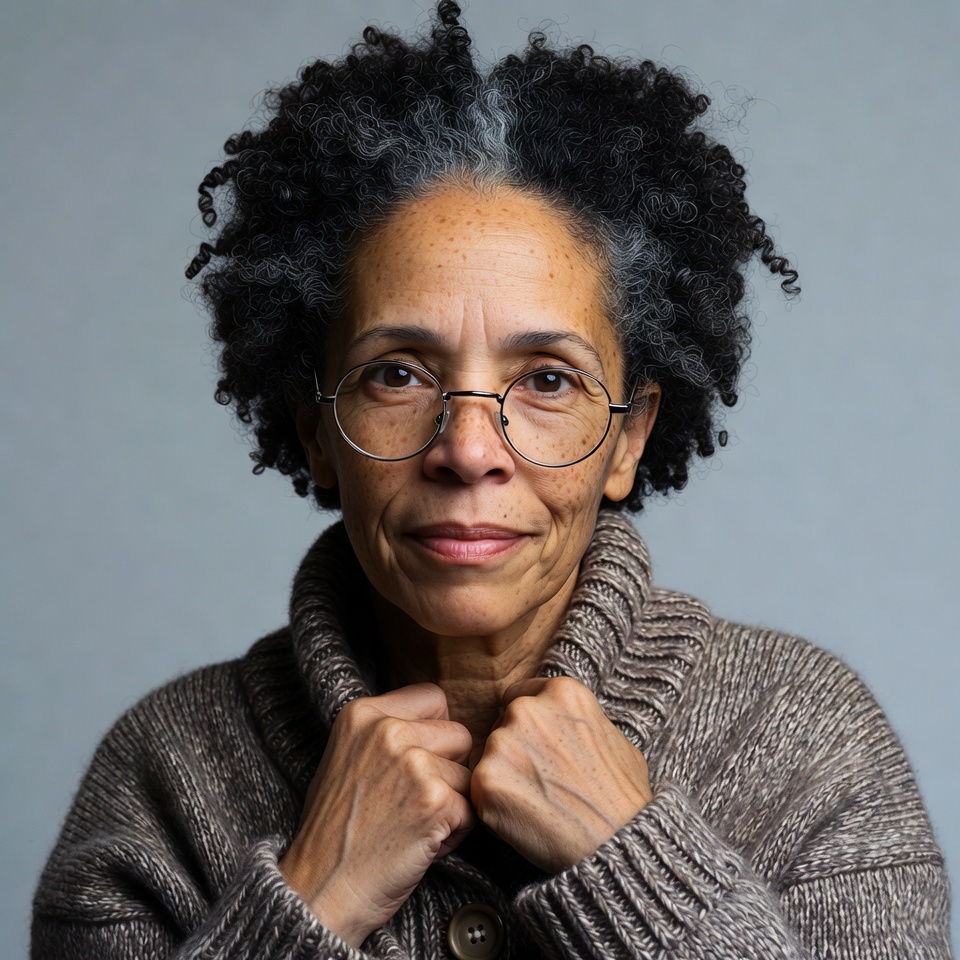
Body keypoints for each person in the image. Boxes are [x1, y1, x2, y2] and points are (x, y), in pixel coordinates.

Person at [31, 3, 951, 958]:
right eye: (398, 373)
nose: (469, 450)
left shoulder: (809, 746)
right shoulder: (160, 777)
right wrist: (311, 900)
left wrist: (633, 868)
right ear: (314, 433)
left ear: (629, 438)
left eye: (547, 380)